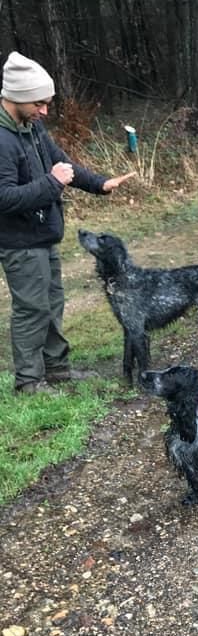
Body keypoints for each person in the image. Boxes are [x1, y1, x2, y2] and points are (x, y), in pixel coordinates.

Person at [0, 51, 135, 394]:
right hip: (19, 241)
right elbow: (4, 198)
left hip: (44, 233)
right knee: (32, 309)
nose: (45, 110)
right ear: (16, 97)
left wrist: (100, 184)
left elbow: (61, 163)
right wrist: (52, 183)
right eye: (40, 103)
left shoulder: (31, 126)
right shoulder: (2, 140)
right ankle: (29, 382)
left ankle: (57, 370)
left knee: (52, 303)